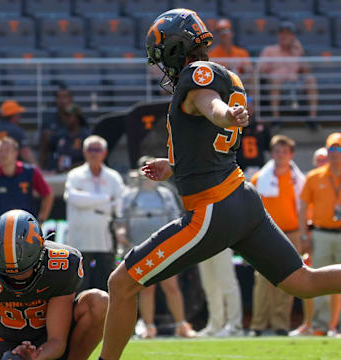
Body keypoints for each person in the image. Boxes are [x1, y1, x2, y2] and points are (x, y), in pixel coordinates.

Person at [99, 9, 341, 360]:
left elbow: (209, 105)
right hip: (242, 199)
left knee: (121, 283)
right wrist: (174, 166)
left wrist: (225, 114)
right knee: (304, 283)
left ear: (174, 49)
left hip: (213, 208)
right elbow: (208, 134)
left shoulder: (197, 76)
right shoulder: (226, 75)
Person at [0, 209, 108, 360]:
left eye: (23, 271)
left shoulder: (61, 265)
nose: (15, 278)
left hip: (46, 344)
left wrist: (35, 357)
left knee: (99, 302)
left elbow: (57, 341)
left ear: (41, 254)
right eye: (6, 273)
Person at [122, 156, 196, 339]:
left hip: (164, 247)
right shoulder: (129, 195)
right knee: (147, 288)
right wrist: (122, 235)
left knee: (171, 286)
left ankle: (181, 325)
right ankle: (149, 327)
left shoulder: (165, 194)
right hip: (140, 248)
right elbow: (121, 221)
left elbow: (175, 219)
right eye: (144, 169)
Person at [248, 135, 305, 337]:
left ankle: (281, 325)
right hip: (265, 234)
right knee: (262, 280)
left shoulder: (299, 180)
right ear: (271, 154)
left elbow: (304, 210)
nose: (280, 156)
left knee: (289, 279)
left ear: (291, 155)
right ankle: (258, 325)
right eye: (276, 152)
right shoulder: (258, 178)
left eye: (284, 152)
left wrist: (304, 236)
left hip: (293, 233)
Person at [63, 135, 126, 292]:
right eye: (90, 149)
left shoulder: (113, 177)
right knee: (79, 287)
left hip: (105, 241)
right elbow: (73, 198)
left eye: (97, 150)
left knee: (106, 285)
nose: (94, 153)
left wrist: (87, 199)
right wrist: (105, 199)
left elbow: (120, 204)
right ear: (84, 152)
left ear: (104, 153)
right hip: (80, 242)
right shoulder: (75, 175)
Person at [298, 133, 341, 337]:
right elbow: (303, 206)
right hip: (321, 234)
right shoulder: (314, 176)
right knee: (322, 281)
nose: (335, 154)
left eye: (339, 149)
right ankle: (322, 327)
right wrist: (304, 235)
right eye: (332, 149)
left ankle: (336, 326)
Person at [289, 146, 328, 337]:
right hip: (315, 234)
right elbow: (302, 209)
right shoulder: (310, 179)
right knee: (312, 279)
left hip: (331, 233)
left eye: (324, 158)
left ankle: (329, 324)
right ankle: (311, 323)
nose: (322, 161)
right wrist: (304, 236)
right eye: (318, 159)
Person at [0, 137, 54, 231]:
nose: (3, 154)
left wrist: (41, 220)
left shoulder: (31, 172)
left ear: (16, 153)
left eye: (7, 150)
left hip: (27, 230)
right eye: (0, 151)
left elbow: (48, 194)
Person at [258, 21, 318, 128]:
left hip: (295, 84)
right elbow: (260, 70)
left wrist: (301, 54)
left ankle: (312, 118)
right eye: (282, 33)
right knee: (275, 81)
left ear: (293, 36)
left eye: (287, 33)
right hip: (276, 84)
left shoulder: (297, 52)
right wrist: (271, 73)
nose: (284, 36)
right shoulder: (270, 50)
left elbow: (307, 71)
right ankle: (276, 119)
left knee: (311, 79)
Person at [197, 248, 244, 337]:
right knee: (209, 285)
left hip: (222, 239)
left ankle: (235, 327)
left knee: (227, 283)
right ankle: (215, 326)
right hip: (202, 240)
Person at [0, 100, 36, 167]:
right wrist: (37, 169)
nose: (20, 117)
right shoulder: (16, 131)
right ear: (15, 116)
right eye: (19, 114)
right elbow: (25, 152)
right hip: (10, 174)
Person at [208, 18, 254, 97]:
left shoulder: (242, 52)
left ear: (232, 33)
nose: (223, 34)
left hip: (239, 83)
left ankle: (250, 101)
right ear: (217, 35)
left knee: (251, 77)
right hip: (220, 86)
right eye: (219, 31)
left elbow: (249, 70)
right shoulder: (211, 53)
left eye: (226, 30)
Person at [47, 104, 90, 173]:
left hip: (79, 173)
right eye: (64, 116)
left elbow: (89, 158)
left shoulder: (86, 136)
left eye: (68, 116)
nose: (65, 118)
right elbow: (51, 152)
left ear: (77, 118)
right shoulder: (59, 134)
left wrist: (73, 167)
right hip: (58, 173)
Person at [236, 97, 271, 180]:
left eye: (250, 104)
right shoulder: (235, 127)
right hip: (241, 168)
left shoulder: (262, 127)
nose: (248, 108)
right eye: (246, 105)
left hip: (260, 167)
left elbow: (269, 147)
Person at [39, 88, 74, 168]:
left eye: (65, 97)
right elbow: (43, 148)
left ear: (71, 99)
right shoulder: (49, 120)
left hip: (75, 165)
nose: (62, 100)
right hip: (53, 165)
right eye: (59, 97)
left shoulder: (78, 119)